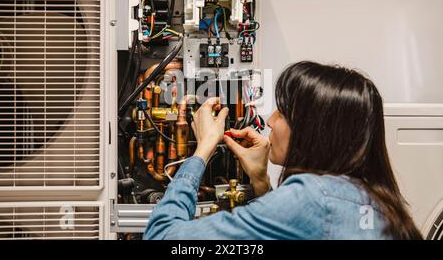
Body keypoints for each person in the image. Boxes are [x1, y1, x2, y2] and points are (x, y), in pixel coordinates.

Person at [144, 61, 422, 240]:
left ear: (314, 131)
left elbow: (162, 237)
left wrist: (203, 148)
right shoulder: (379, 202)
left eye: (284, 111)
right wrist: (262, 182)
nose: (270, 121)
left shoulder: (311, 199)